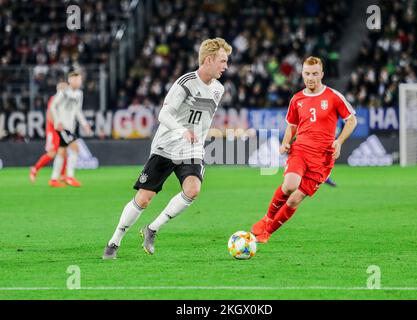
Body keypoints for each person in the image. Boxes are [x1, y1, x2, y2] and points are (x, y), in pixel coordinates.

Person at [103, 38, 232, 259]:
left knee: (193, 190)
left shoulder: (218, 89)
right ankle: (114, 241)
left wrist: (197, 137)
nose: (226, 66)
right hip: (166, 146)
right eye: (223, 61)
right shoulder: (185, 83)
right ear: (209, 60)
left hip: (192, 149)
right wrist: (182, 130)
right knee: (144, 198)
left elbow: (202, 119)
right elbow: (163, 114)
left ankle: (152, 229)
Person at [251, 56, 357, 243]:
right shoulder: (297, 99)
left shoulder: (333, 96)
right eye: (307, 74)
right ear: (302, 74)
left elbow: (352, 120)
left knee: (294, 200)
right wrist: (285, 142)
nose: (311, 78)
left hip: (323, 159)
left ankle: (268, 232)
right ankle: (267, 218)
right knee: (290, 185)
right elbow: (291, 125)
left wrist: (339, 141)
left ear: (322, 74)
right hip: (300, 150)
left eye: (315, 74)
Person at [49, 71, 92, 187]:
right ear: (70, 80)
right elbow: (53, 106)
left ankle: (53, 179)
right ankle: (69, 177)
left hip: (70, 127)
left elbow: (78, 111)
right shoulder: (64, 92)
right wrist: (57, 121)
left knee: (62, 152)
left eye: (80, 80)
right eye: (77, 79)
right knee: (75, 149)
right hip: (62, 127)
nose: (79, 82)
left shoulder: (79, 94)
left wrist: (84, 124)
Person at [29, 82, 68, 183]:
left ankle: (63, 175)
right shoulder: (54, 99)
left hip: (58, 130)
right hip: (52, 130)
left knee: (64, 151)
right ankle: (35, 169)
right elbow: (50, 116)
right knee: (52, 153)